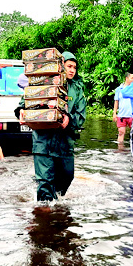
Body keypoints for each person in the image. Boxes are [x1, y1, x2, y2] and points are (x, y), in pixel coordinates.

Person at [15, 51, 87, 202]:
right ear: (61, 66)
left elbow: (81, 117)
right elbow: (24, 104)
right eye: (69, 66)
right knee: (45, 184)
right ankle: (44, 216)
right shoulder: (43, 82)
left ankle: (55, 206)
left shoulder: (77, 89)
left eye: (74, 67)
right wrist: (21, 111)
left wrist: (69, 119)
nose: (72, 70)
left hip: (65, 143)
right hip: (43, 141)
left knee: (67, 177)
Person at [113, 72, 133, 143]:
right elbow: (116, 102)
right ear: (126, 78)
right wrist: (114, 113)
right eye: (132, 78)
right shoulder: (119, 89)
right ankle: (120, 151)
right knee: (121, 132)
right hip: (121, 115)